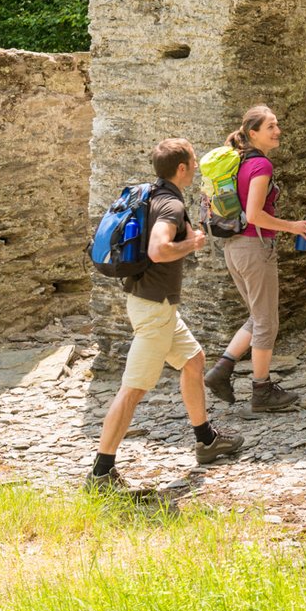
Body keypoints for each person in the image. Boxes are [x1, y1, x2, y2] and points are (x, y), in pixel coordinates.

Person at [86, 138, 244, 493]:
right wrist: (193, 243)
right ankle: (100, 473)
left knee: (193, 359)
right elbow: (158, 249)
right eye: (193, 160)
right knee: (132, 391)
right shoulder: (171, 204)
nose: (197, 166)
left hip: (155, 305)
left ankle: (206, 440)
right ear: (183, 168)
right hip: (154, 311)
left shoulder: (152, 194)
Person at [202, 105, 306, 413]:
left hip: (233, 247)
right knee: (267, 321)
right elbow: (254, 214)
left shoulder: (235, 161)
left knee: (257, 315)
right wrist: (292, 226)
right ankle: (261, 390)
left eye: (277, 125)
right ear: (253, 133)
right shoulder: (261, 165)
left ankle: (221, 371)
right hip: (254, 247)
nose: (277, 131)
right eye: (271, 127)